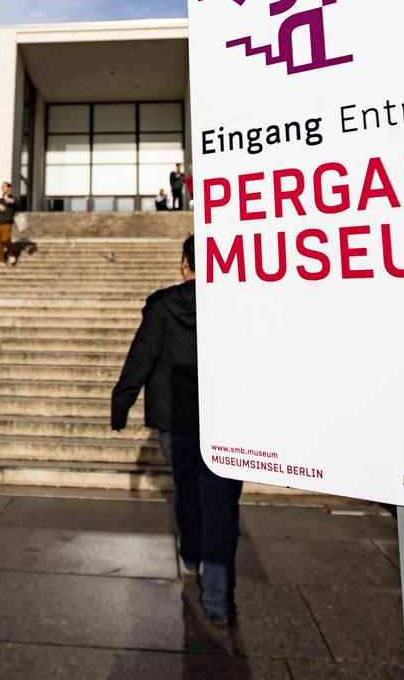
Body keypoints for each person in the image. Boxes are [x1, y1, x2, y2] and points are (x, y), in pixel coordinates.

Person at [112, 235, 242, 625]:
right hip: (227, 423)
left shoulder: (164, 305)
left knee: (187, 492)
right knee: (222, 509)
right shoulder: (235, 305)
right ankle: (218, 602)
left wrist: (122, 402)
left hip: (176, 421)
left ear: (184, 263)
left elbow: (142, 355)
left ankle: (190, 556)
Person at [0, 182, 17, 267]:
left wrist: (11, 201)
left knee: (6, 239)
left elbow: (19, 205)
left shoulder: (13, 199)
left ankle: (11, 253)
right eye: (2, 187)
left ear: (9, 188)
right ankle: (1, 260)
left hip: (7, 223)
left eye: (4, 187)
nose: (3, 189)